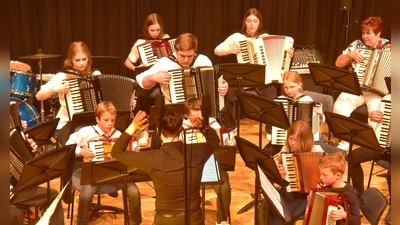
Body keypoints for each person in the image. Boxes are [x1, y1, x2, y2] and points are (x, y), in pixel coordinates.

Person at [111, 107, 220, 225]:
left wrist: (133, 126)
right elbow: (214, 140)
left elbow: (117, 152)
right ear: (181, 129)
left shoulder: (152, 158)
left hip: (166, 220)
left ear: (158, 131)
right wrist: (203, 124)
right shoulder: (197, 152)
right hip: (194, 219)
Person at [214, 8, 294, 139]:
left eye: (255, 21)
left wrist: (288, 53)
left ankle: (269, 129)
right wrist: (230, 49)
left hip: (262, 79)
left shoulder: (266, 37)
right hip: (242, 77)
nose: (252, 24)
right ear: (244, 22)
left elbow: (281, 55)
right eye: (249, 21)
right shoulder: (236, 37)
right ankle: (230, 127)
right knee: (229, 94)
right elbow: (217, 50)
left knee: (272, 95)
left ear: (259, 23)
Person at [65, 101, 142, 225]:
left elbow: (124, 155)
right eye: (106, 120)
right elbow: (68, 145)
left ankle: (135, 222)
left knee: (134, 192)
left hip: (115, 174)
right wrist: (81, 151)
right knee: (85, 196)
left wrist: (133, 152)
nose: (110, 124)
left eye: (113, 120)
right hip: (94, 174)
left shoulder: (118, 134)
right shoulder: (87, 132)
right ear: (97, 119)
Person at [260, 120, 342, 225]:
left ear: (305, 140)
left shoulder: (317, 152)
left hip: (306, 196)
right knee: (271, 208)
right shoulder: (286, 149)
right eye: (291, 139)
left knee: (282, 216)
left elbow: (329, 176)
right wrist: (278, 169)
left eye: (297, 140)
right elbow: (277, 163)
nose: (293, 143)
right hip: (288, 192)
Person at [332, 16, 390, 151]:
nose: (364, 36)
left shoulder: (390, 48)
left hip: (377, 92)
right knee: (339, 107)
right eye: (363, 33)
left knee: (377, 117)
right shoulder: (356, 45)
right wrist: (350, 56)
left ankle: (368, 147)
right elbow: (338, 63)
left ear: (378, 33)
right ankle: (345, 142)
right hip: (356, 88)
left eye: (368, 33)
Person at [36, 41, 101, 146]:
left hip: (94, 120)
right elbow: (39, 96)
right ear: (71, 60)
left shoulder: (95, 74)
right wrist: (55, 89)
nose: (81, 63)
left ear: (88, 58)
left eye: (84, 59)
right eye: (77, 60)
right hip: (69, 122)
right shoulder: (63, 76)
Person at [135, 32, 228, 104]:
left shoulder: (203, 60)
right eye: (182, 56)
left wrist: (224, 87)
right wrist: (153, 77)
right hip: (173, 112)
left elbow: (215, 84)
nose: (186, 60)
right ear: (175, 50)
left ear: (195, 51)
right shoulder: (164, 63)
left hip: (200, 111)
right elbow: (141, 80)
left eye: (190, 56)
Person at [182, 98, 231, 225]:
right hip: (191, 169)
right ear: (187, 116)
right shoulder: (182, 127)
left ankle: (222, 219)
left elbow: (221, 147)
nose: (198, 121)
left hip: (211, 167)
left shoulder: (213, 125)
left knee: (224, 187)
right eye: (194, 118)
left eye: (200, 117)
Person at [124, 13, 171, 147]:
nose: (155, 33)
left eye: (158, 30)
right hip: (147, 75)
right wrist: (137, 68)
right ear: (146, 29)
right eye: (152, 30)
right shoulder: (140, 43)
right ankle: (144, 130)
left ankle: (163, 128)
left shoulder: (167, 39)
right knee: (141, 93)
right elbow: (127, 62)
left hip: (163, 75)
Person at [348, 94, 391, 224]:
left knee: (392, 174)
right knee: (352, 157)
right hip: (383, 143)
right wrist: (373, 117)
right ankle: (359, 195)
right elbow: (379, 121)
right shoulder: (389, 99)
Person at [10, 132, 65, 225]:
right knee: (13, 214)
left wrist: (28, 149)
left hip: (12, 190)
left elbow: (22, 169)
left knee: (52, 196)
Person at [318, 150, 361, 225]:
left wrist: (345, 215)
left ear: (338, 175)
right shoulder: (328, 186)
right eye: (320, 174)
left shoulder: (350, 195)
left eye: (325, 175)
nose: (321, 177)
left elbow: (357, 222)